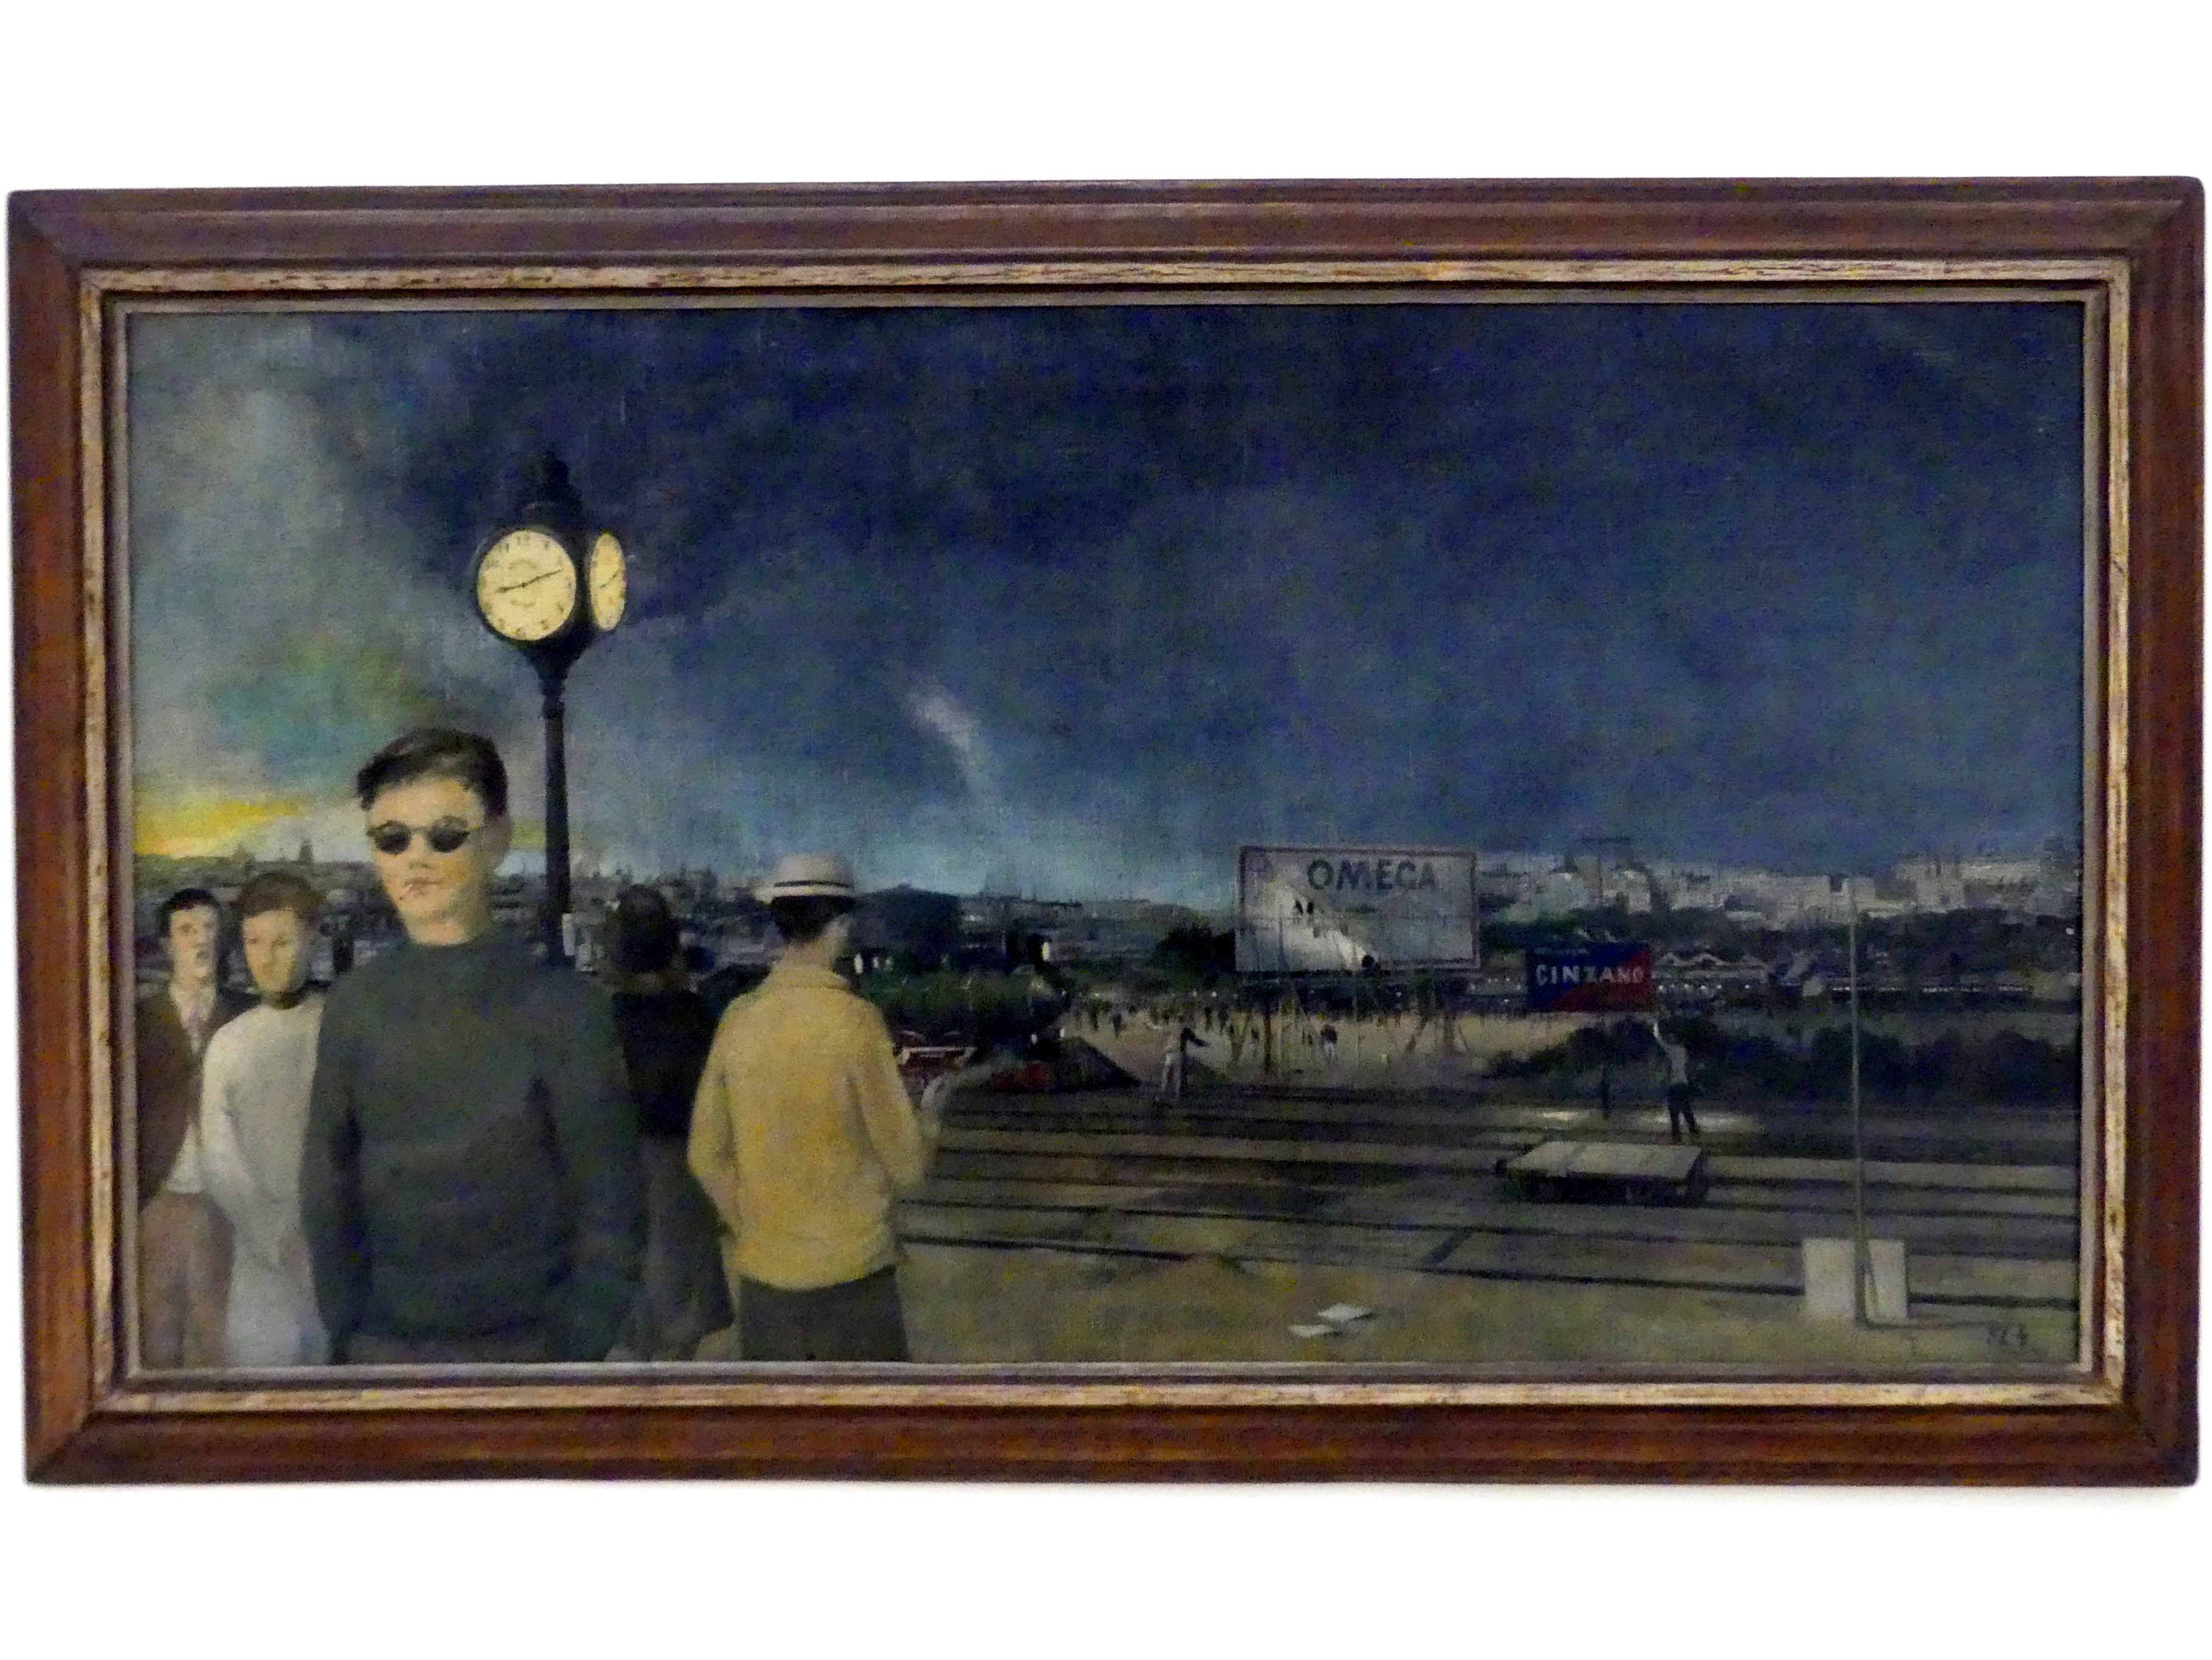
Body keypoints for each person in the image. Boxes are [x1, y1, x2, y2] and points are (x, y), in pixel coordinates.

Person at [300, 728, 643, 1363]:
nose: (416, 859)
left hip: (528, 1356)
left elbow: (611, 1206)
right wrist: (350, 1331)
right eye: (392, 839)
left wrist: (570, 1350)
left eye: (445, 835)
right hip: (385, 1352)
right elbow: (327, 1188)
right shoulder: (354, 1005)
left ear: (497, 841)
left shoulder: (565, 1008)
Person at [687, 853, 941, 1362]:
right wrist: (931, 1115)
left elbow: (704, 1155)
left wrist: (756, 1230)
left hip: (766, 1289)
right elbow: (908, 1167)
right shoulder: (856, 1024)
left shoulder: (739, 1020)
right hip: (855, 1284)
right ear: (841, 925)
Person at [178, 870, 329, 1366]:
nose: (267, 958)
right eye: (254, 942)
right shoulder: (231, 1043)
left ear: (312, 941)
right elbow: (220, 1158)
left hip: (339, 1252)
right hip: (261, 1263)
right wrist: (278, 1237)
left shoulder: (338, 1027)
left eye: (283, 942)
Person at [604, 884, 732, 1360]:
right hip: (684, 1168)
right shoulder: (696, 1016)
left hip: (622, 1172)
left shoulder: (603, 1020)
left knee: (633, 1317)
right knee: (682, 1308)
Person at [136, 888, 254, 1366]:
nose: (201, 941)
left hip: (228, 1205)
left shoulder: (245, 1015)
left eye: (209, 928)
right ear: (168, 946)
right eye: (187, 931)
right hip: (158, 1196)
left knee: (217, 1337)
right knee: (155, 1338)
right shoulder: (138, 1021)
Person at [1650, 1018, 1700, 1143]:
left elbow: (1660, 1041)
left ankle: (1677, 1133)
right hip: (1683, 1082)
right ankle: (1692, 1129)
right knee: (1685, 1106)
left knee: (1674, 1109)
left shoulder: (1673, 1051)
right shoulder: (1682, 1050)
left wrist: (1656, 1026)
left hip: (1674, 1083)